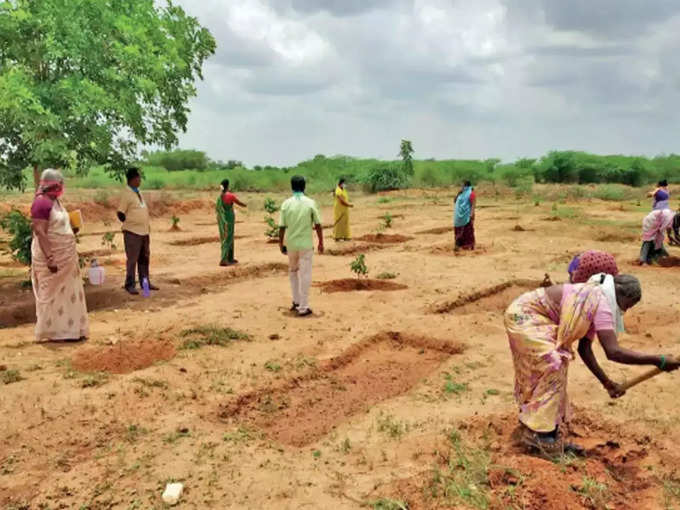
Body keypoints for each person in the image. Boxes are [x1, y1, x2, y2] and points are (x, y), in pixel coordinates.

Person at [505, 274, 679, 456]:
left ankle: (542, 429)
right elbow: (613, 351)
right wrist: (659, 360)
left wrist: (606, 382)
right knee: (553, 366)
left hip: (525, 315)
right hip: (525, 317)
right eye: (627, 305)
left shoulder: (593, 299)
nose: (624, 311)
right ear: (619, 293)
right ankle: (540, 436)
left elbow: (585, 350)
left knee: (553, 369)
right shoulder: (600, 301)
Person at [30, 169, 89, 342]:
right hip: (52, 258)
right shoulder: (41, 203)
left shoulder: (56, 202)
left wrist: (73, 228)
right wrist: (50, 257)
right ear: (51, 185)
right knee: (52, 294)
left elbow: (58, 226)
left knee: (67, 293)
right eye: (59, 185)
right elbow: (40, 231)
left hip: (67, 259)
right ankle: (52, 332)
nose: (61, 188)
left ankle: (69, 330)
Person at [278, 175, 324, 317]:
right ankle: (303, 307)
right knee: (305, 274)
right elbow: (318, 224)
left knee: (293, 272)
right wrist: (321, 241)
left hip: (291, 244)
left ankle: (296, 301)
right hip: (305, 245)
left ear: (292, 187)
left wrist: (281, 243)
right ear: (304, 187)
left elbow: (281, 227)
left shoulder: (286, 204)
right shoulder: (310, 203)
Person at [117, 167, 158, 295]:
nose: (140, 180)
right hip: (132, 232)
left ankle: (145, 284)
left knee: (144, 259)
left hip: (144, 231)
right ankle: (129, 284)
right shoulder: (126, 194)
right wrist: (130, 223)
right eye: (138, 177)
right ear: (132, 179)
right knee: (132, 260)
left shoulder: (138, 192)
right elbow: (120, 213)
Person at [216, 179, 247, 266]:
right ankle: (224, 259)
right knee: (228, 239)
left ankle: (230, 258)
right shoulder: (230, 196)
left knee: (227, 238)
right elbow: (240, 203)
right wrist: (246, 205)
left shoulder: (220, 197)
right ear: (228, 186)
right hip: (229, 219)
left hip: (222, 220)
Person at [453, 180, 476, 250]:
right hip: (458, 217)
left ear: (466, 186)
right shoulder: (460, 194)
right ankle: (458, 245)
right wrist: (458, 193)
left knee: (468, 231)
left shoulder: (471, 194)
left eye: (462, 185)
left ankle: (469, 246)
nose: (461, 187)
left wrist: (471, 214)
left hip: (467, 216)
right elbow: (454, 201)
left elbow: (473, 204)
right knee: (458, 230)